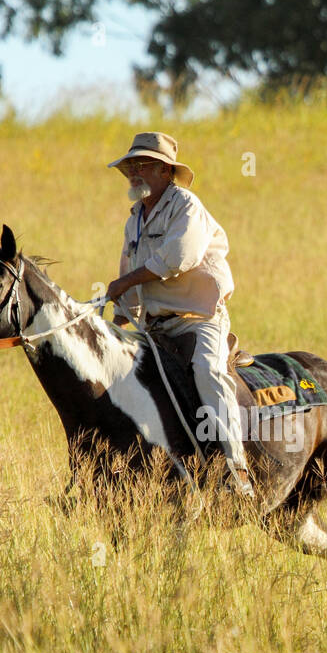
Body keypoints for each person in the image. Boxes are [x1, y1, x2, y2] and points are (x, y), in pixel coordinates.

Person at [104, 131, 254, 498]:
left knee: (207, 371)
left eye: (143, 165)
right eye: (130, 166)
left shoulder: (187, 206)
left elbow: (178, 257)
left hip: (198, 319)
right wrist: (118, 324)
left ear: (166, 171)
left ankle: (237, 473)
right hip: (154, 325)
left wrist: (124, 283)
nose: (134, 172)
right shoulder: (134, 220)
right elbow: (130, 275)